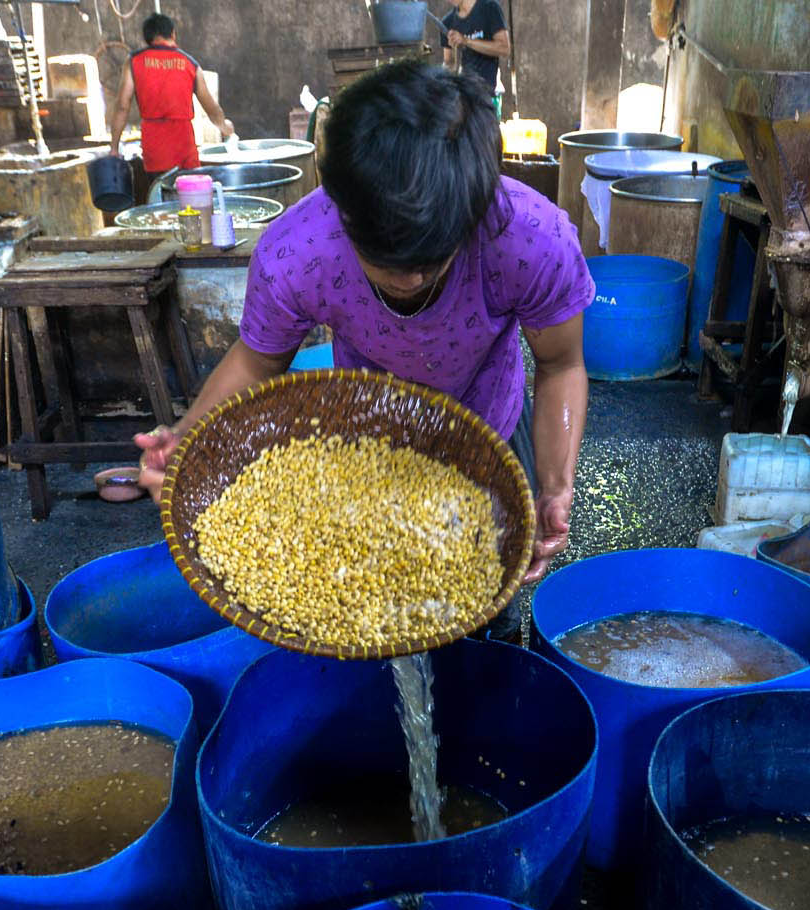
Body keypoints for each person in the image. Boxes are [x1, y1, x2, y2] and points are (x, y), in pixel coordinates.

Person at [135, 62, 589, 596]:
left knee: (493, 595)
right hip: (371, 438)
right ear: (343, 214)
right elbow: (258, 359)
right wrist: (186, 440)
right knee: (376, 596)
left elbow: (560, 364)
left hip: (491, 421)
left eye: (431, 260)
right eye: (388, 263)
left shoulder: (530, 240)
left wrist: (555, 485)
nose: (412, 279)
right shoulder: (298, 253)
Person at [109, 13, 233, 182]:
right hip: (184, 145)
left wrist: (114, 148)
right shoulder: (190, 63)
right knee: (190, 197)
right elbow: (211, 108)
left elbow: (122, 106)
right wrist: (225, 127)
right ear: (173, 33)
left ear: (147, 38)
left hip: (155, 146)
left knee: (160, 197)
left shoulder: (134, 62)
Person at [442, 0, 511, 95]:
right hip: (467, 93)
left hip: (490, 93)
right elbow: (449, 62)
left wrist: (466, 41)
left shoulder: (489, 7)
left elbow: (504, 49)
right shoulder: (448, 22)